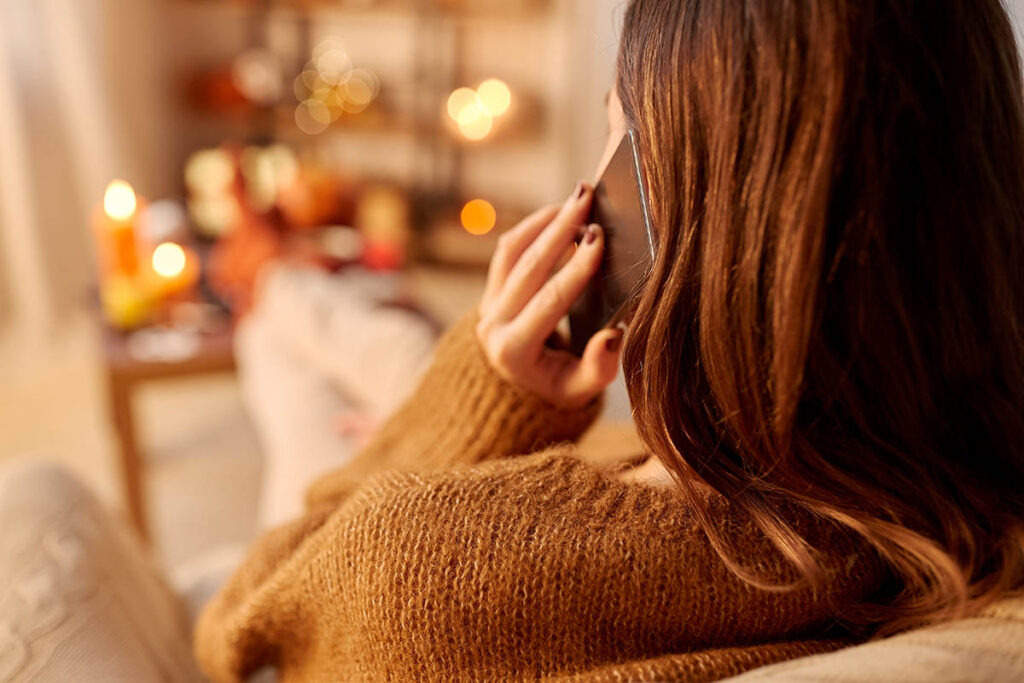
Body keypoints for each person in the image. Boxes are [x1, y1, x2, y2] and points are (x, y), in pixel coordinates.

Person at [194, 0, 1024, 681]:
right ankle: (297, 281)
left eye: (613, 130)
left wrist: (473, 410)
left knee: (296, 340)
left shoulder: (416, 563)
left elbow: (239, 614)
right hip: (652, 451)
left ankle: (275, 275)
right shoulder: (949, 518)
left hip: (400, 491)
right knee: (372, 333)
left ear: (674, 195)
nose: (588, 185)